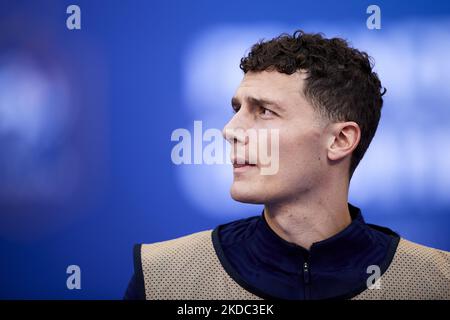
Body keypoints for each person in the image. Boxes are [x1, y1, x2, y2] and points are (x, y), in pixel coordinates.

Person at [124, 30, 450, 300]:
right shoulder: (162, 278)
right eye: (237, 109)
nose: (230, 130)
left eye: (264, 111)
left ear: (339, 140)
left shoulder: (438, 283)